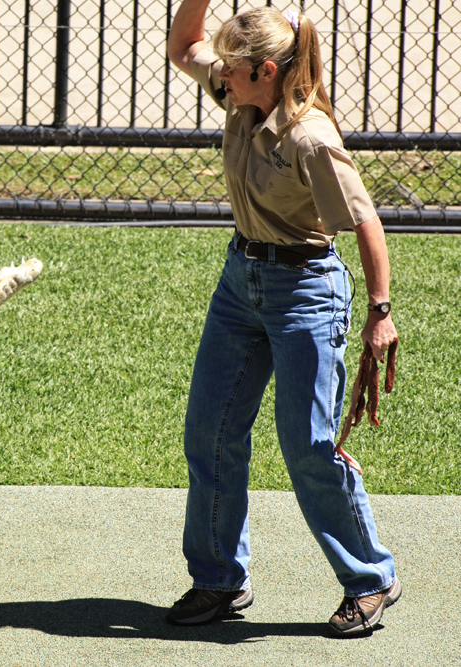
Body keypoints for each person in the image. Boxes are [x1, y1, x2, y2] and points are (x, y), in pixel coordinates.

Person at [164, 2, 401, 636]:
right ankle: (217, 580)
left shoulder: (310, 137)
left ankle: (371, 577)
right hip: (240, 285)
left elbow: (366, 224)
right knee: (210, 430)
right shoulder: (245, 96)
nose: (221, 81)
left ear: (267, 72)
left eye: (234, 73)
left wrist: (380, 314)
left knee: (310, 445)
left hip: (305, 292)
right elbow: (183, 44)